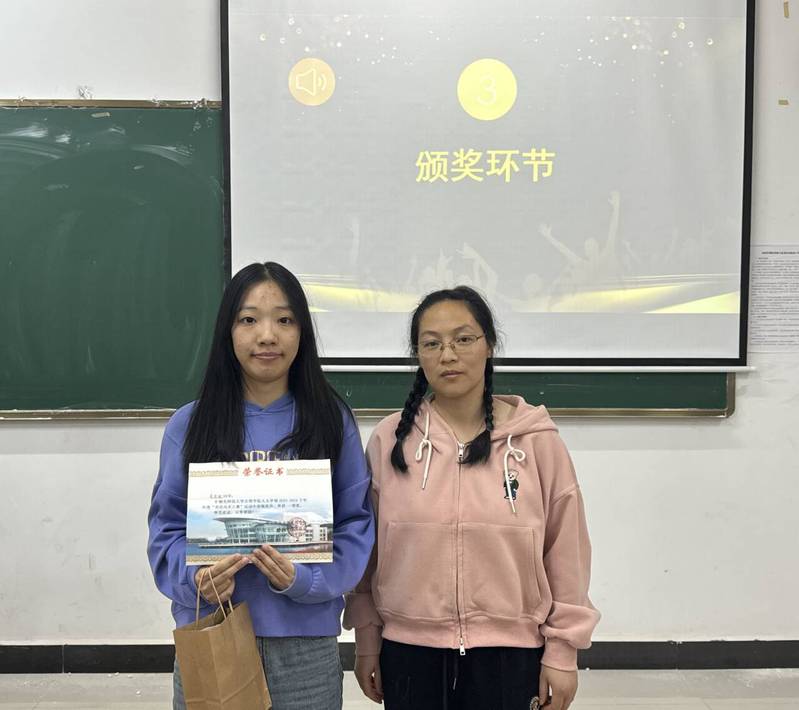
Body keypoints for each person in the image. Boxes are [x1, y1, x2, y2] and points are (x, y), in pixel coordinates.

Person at [344, 286, 600, 710]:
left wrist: (562, 651)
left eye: (463, 339)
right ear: (418, 354)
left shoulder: (537, 442)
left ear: (489, 345)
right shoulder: (390, 440)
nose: (448, 355)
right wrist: (367, 640)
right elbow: (367, 555)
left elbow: (566, 551)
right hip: (408, 650)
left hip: (512, 654)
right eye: (432, 343)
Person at [148, 262, 374, 710]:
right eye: (249, 319)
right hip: (214, 632)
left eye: (284, 320)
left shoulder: (332, 421)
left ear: (302, 332)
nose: (267, 335)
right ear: (228, 332)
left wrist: (306, 580)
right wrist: (196, 579)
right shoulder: (189, 425)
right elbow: (165, 531)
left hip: (306, 646)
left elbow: (355, 525)